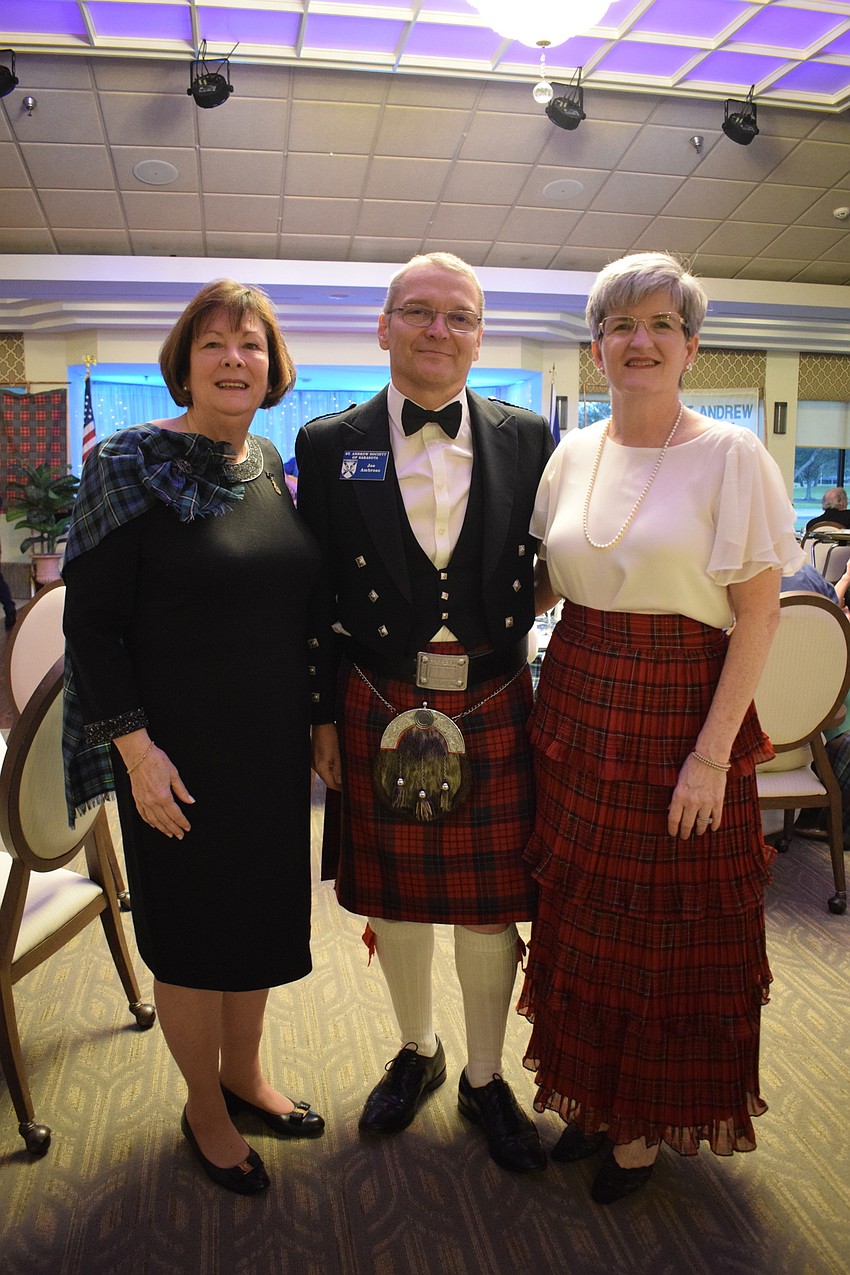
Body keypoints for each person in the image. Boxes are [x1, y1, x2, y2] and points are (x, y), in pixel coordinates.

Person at [519, 251, 803, 1205]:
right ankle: (594, 1099)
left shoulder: (732, 456)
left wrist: (711, 756)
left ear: (690, 346)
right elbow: (547, 582)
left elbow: (759, 615)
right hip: (580, 699)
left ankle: (641, 1123)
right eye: (620, 326)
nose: (640, 341)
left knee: (665, 932)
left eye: (661, 325)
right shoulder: (573, 452)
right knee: (586, 916)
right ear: (596, 348)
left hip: (684, 706)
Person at [62, 279, 325, 1196]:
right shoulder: (130, 461)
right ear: (184, 362)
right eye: (213, 344)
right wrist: (135, 751)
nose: (232, 360)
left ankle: (245, 1075)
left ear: (272, 366)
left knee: (253, 922)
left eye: (250, 345)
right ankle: (202, 1109)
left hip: (268, 752)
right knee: (188, 931)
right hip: (172, 756)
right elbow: (90, 625)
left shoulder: (269, 467)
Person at [296, 252, 554, 1173]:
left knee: (492, 908)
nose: (438, 331)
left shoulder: (531, 436)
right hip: (375, 692)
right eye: (418, 312)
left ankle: (486, 1076)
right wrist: (322, 714)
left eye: (459, 316)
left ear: (480, 333)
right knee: (397, 903)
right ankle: (418, 1049)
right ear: (384, 326)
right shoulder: (330, 444)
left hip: (492, 692)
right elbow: (320, 590)